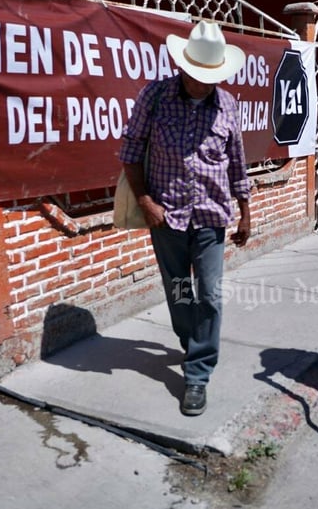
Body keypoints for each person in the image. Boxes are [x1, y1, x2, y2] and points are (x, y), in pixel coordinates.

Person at [119, 21, 251, 416]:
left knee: (209, 294)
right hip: (166, 216)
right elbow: (130, 150)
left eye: (210, 77)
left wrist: (246, 213)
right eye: (196, 76)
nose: (201, 84)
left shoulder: (227, 104)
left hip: (211, 216)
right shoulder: (155, 97)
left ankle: (197, 374)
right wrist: (144, 199)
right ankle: (191, 337)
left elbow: (238, 162)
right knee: (179, 292)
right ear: (182, 67)